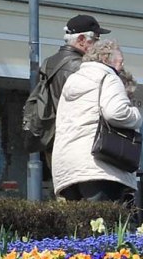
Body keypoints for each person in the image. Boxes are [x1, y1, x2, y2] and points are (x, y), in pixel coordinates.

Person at [51, 39, 141, 203]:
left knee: (79, 225)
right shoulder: (108, 77)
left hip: (68, 165)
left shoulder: (72, 80)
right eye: (120, 61)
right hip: (98, 165)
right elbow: (116, 113)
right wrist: (136, 116)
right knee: (104, 223)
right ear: (107, 59)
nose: (121, 67)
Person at [26, 15, 107, 162]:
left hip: (55, 142)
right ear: (81, 40)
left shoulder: (49, 63)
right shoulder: (82, 67)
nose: (99, 44)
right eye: (96, 39)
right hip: (78, 143)